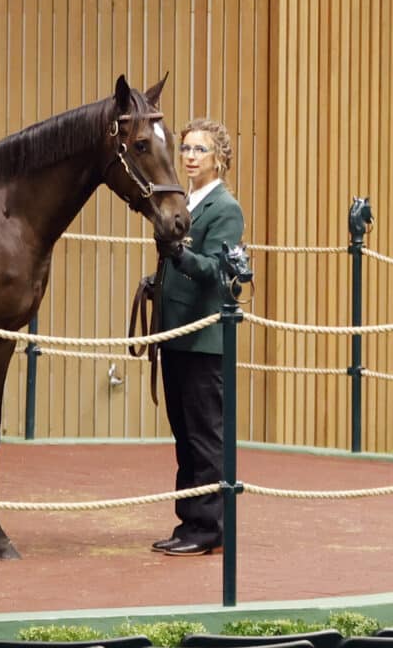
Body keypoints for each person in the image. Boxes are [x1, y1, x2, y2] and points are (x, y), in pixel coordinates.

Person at [152, 117, 245, 557]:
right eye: (185, 148)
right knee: (184, 435)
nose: (188, 156)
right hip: (176, 336)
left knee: (205, 436)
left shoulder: (225, 209)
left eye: (198, 150)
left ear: (219, 158)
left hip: (203, 340)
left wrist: (179, 255)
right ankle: (189, 521)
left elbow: (218, 270)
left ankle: (209, 528)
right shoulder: (186, 202)